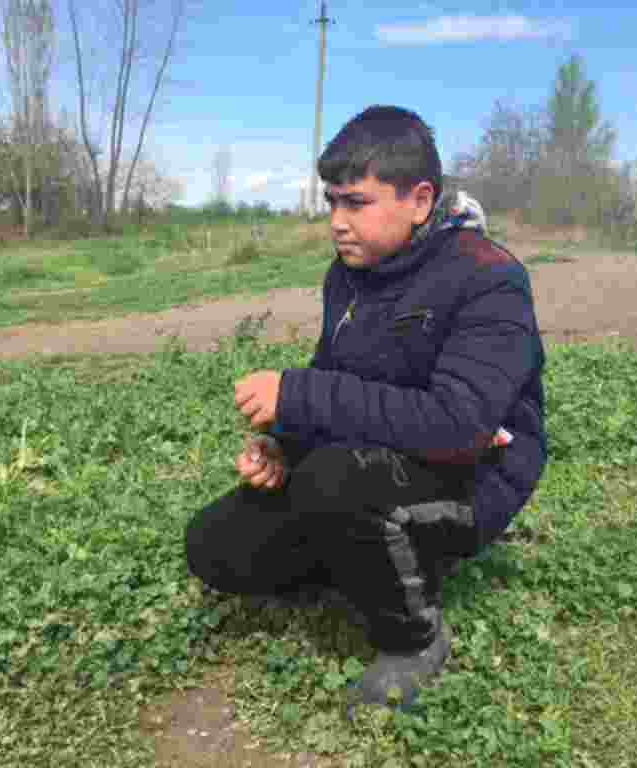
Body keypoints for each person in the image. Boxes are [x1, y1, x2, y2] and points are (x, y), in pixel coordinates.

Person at [184, 105, 548, 718]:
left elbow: (460, 426)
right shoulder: (350, 275)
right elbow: (338, 378)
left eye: (356, 203)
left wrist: (298, 395)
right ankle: (366, 555)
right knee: (217, 545)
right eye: (332, 203)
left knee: (337, 482)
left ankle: (416, 639)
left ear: (420, 199)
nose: (337, 223)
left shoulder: (490, 278)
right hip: (374, 461)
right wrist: (286, 443)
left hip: (474, 477)